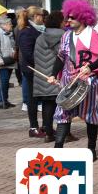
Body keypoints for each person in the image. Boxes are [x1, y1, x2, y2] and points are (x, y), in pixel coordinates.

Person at [47, 0, 98, 161]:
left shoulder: (92, 35)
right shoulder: (66, 36)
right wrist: (53, 74)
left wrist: (90, 67)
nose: (68, 20)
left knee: (90, 116)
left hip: (87, 82)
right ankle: (58, 149)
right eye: (67, 17)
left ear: (82, 17)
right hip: (68, 82)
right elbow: (61, 57)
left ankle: (91, 149)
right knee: (63, 114)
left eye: (72, 17)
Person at [32, 11, 66, 143]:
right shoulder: (63, 36)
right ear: (59, 22)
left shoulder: (40, 37)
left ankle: (48, 133)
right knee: (64, 105)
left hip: (42, 77)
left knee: (47, 105)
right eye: (63, 21)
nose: (65, 23)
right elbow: (64, 55)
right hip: (56, 75)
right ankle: (65, 133)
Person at [17, 6, 46, 137]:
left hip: (36, 68)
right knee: (33, 99)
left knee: (39, 98)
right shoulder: (26, 31)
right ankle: (33, 127)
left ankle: (42, 126)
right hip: (32, 70)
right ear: (36, 16)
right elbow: (28, 54)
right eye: (41, 15)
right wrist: (41, 64)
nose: (43, 18)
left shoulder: (32, 29)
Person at [0, 16, 16, 108]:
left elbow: (12, 45)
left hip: (9, 61)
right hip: (2, 62)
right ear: (3, 25)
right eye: (9, 24)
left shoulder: (9, 33)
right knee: (3, 82)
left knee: (6, 82)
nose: (11, 25)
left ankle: (5, 100)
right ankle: (1, 101)